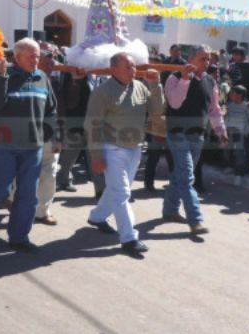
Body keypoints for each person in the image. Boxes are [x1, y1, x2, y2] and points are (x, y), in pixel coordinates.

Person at [0, 38, 57, 253]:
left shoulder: (43, 78)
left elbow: (51, 110)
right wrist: (0, 77)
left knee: (28, 194)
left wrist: (51, 135)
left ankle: (19, 237)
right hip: (4, 145)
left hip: (33, 147)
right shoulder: (4, 75)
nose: (36, 60)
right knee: (0, 191)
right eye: (31, 56)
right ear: (17, 57)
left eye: (38, 56)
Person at [84, 53, 164, 254]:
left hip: (135, 148)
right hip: (112, 149)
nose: (133, 70)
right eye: (127, 67)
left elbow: (157, 110)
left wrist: (155, 85)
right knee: (122, 193)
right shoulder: (102, 92)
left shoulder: (140, 87)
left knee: (117, 189)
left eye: (134, 66)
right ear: (113, 70)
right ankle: (129, 239)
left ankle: (97, 217)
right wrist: (96, 155)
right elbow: (91, 123)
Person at [163, 44, 228, 235]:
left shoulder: (210, 81)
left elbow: (214, 109)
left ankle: (170, 211)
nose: (207, 62)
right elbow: (174, 103)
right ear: (190, 59)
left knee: (179, 175)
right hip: (177, 134)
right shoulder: (174, 78)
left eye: (208, 59)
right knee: (187, 177)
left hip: (198, 134)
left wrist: (220, 130)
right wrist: (184, 80)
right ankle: (195, 220)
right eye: (203, 58)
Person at [56, 68, 106, 197]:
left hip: (96, 124)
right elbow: (68, 101)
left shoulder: (102, 75)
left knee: (94, 156)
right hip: (75, 122)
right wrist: (76, 81)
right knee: (69, 156)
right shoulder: (71, 73)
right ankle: (63, 180)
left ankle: (100, 189)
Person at [33, 50, 62, 225]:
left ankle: (42, 211)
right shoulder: (28, 81)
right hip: (28, 137)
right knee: (24, 174)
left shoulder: (57, 82)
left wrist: (58, 136)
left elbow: (60, 111)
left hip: (50, 137)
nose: (51, 67)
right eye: (47, 63)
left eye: (52, 64)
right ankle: (14, 199)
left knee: (49, 174)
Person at [224, 85, 249, 185]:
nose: (231, 95)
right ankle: (229, 166)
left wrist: (246, 132)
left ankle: (238, 174)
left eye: (233, 93)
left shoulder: (247, 107)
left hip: (240, 133)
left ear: (240, 95)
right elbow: (225, 117)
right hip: (228, 131)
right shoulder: (229, 105)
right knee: (227, 151)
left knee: (239, 154)